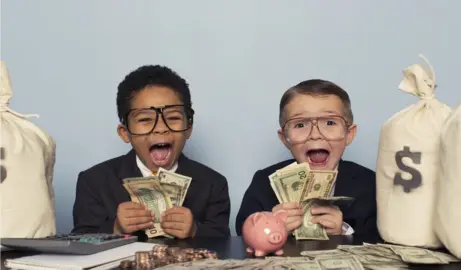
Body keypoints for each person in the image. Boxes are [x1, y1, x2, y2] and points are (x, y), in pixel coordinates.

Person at [72, 65, 231, 239]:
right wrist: (115, 227)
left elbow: (224, 241)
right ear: (125, 133)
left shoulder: (213, 184)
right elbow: (81, 238)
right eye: (145, 119)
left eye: (173, 118)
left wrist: (195, 231)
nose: (161, 128)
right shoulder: (94, 182)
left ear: (189, 127)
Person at [235, 79, 378, 238]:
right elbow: (241, 231)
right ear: (284, 138)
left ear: (349, 134)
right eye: (300, 125)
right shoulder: (264, 181)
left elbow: (380, 237)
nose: (315, 135)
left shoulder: (370, 183)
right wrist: (269, 225)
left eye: (330, 122)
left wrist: (344, 231)